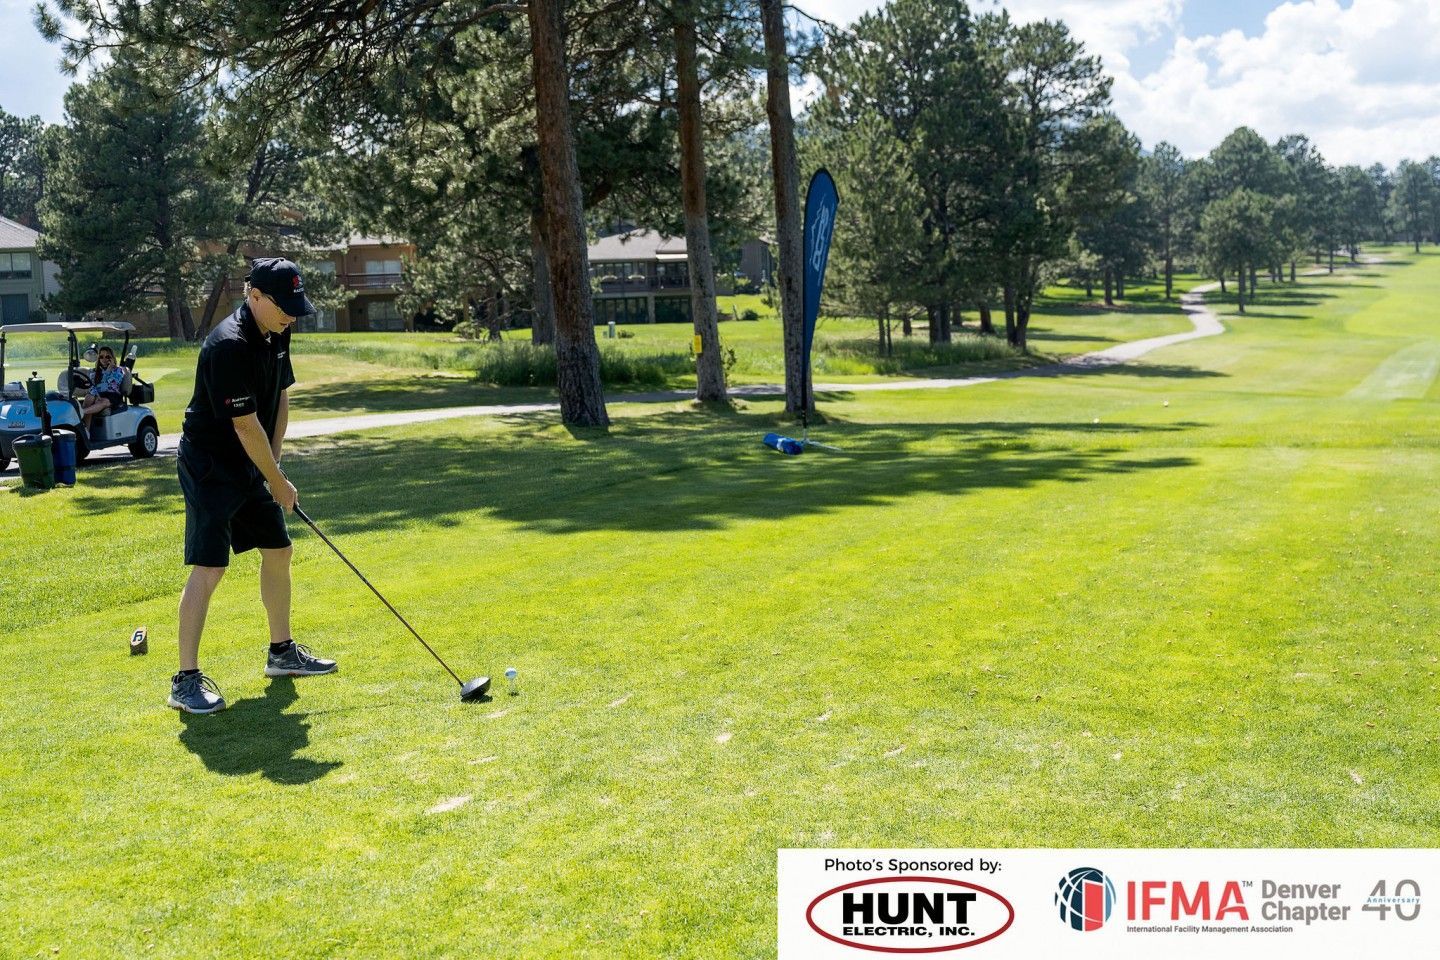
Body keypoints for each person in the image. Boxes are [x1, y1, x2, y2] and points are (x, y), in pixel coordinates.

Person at [169, 257, 338, 714]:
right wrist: (274, 479)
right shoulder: (228, 345)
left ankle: (281, 653)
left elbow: (278, 397)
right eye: (284, 306)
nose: (291, 316)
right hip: (211, 466)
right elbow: (244, 425)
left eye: (296, 307)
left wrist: (275, 466)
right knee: (210, 566)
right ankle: (184, 680)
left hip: (253, 461)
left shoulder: (278, 333)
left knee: (279, 549)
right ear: (255, 296)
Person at [80, 346, 126, 429]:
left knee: (103, 401)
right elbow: (93, 386)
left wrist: (108, 371)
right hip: (99, 394)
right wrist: (96, 395)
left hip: (112, 395)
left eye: (107, 357)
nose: (104, 359)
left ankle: (81, 412)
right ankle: (86, 432)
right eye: (101, 357)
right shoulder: (95, 372)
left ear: (112, 358)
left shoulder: (118, 370)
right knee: (89, 397)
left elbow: (110, 386)